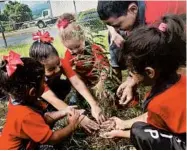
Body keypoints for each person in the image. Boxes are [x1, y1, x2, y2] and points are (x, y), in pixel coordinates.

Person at [100, 14, 186, 150]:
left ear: (149, 72)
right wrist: (123, 123)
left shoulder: (157, 104)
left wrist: (120, 133)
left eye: (131, 72)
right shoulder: (182, 79)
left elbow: (152, 133)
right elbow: (154, 116)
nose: (130, 76)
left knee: (138, 130)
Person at [97, 0, 186, 105]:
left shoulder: (155, 23)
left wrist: (135, 79)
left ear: (133, 9)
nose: (117, 30)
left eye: (118, 25)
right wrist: (113, 32)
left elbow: (158, 60)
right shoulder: (129, 13)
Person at [0, 51, 81, 149]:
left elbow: (42, 118)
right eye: (43, 81)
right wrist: (73, 125)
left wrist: (64, 111)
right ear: (33, 92)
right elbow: (52, 138)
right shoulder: (25, 115)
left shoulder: (19, 101)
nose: (45, 84)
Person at [29, 31, 104, 127]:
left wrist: (94, 105)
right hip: (40, 100)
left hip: (55, 88)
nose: (57, 69)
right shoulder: (36, 77)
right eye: (51, 69)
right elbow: (53, 100)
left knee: (66, 85)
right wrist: (79, 117)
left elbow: (77, 83)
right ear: (38, 68)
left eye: (58, 64)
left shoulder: (61, 62)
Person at [56, 13, 120, 108]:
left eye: (77, 46)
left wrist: (101, 83)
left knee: (105, 96)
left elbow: (105, 68)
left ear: (83, 37)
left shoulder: (94, 49)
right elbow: (71, 74)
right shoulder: (68, 55)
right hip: (84, 84)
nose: (75, 51)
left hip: (100, 80)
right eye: (71, 49)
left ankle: (111, 105)